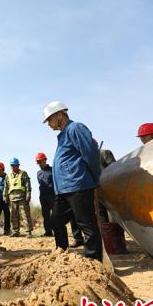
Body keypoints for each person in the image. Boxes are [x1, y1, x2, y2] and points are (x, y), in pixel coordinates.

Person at [42, 101, 103, 261]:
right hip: (64, 190)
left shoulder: (75, 128)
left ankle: (94, 261)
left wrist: (95, 179)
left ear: (60, 115)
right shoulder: (63, 135)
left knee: (86, 224)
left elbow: (91, 154)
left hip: (78, 185)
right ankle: (61, 254)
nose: (48, 124)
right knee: (55, 220)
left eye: (50, 120)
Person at [36, 152, 83, 245]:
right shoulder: (38, 173)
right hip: (43, 196)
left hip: (54, 196)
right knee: (46, 215)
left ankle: (75, 238)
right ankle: (48, 232)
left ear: (45, 160)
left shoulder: (53, 170)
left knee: (58, 217)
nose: (39, 164)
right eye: (38, 162)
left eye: (40, 161)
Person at [4, 158, 33, 237]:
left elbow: (28, 185)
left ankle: (28, 232)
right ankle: (15, 231)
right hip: (12, 198)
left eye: (15, 165)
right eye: (12, 165)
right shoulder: (8, 176)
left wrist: (28, 194)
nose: (14, 167)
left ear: (18, 165)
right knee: (13, 215)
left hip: (22, 198)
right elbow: (6, 187)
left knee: (25, 215)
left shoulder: (23, 173)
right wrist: (5, 196)